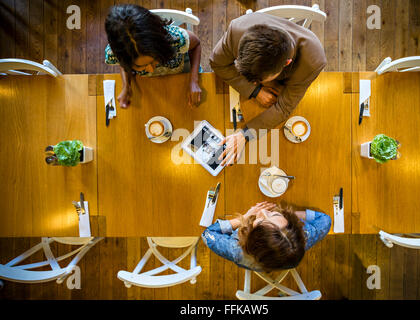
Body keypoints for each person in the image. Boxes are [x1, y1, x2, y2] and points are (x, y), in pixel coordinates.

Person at [210, 13, 327, 166]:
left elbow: (284, 107)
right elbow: (217, 62)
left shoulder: (313, 62)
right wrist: (255, 90)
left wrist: (244, 134)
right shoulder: (237, 29)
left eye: (258, 80)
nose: (253, 83)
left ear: (286, 63)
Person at [104, 4, 202, 108]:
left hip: (181, 74)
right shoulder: (114, 54)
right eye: (140, 66)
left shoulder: (174, 38)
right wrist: (126, 86)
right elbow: (123, 64)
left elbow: (196, 44)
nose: (150, 69)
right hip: (149, 85)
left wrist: (194, 81)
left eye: (154, 60)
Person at [201, 201, 331, 272]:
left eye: (261, 222)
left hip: (250, 263)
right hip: (285, 263)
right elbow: (325, 219)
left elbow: (207, 234)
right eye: (275, 216)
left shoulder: (236, 249)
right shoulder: (304, 236)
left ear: (251, 237)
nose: (263, 211)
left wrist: (244, 219)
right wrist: (290, 214)